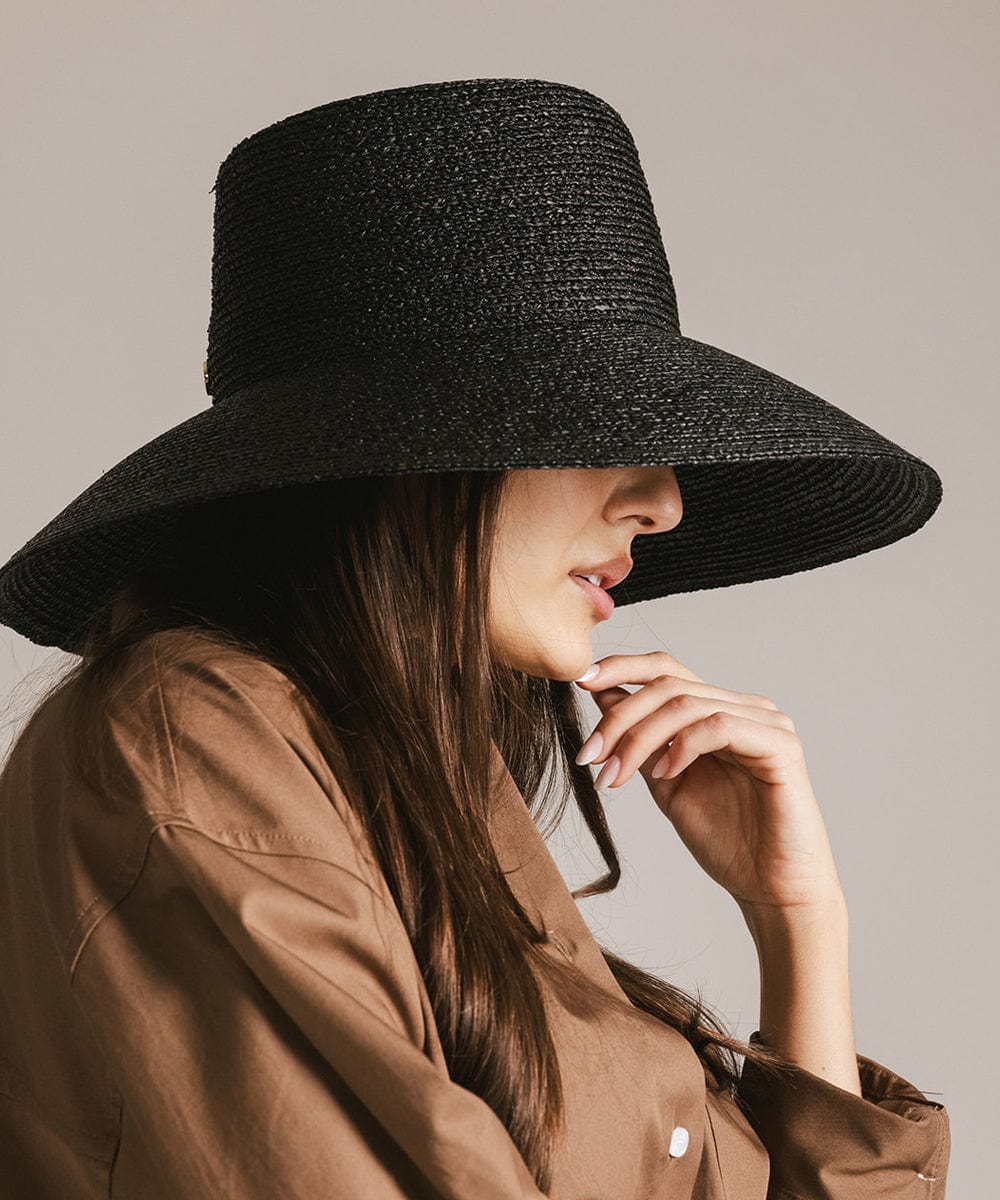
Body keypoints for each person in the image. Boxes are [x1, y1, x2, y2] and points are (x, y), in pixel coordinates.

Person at [0, 78, 950, 1198]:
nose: (664, 503)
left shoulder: (426, 786)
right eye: (591, 425)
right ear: (402, 457)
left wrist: (797, 920)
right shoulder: (195, 734)